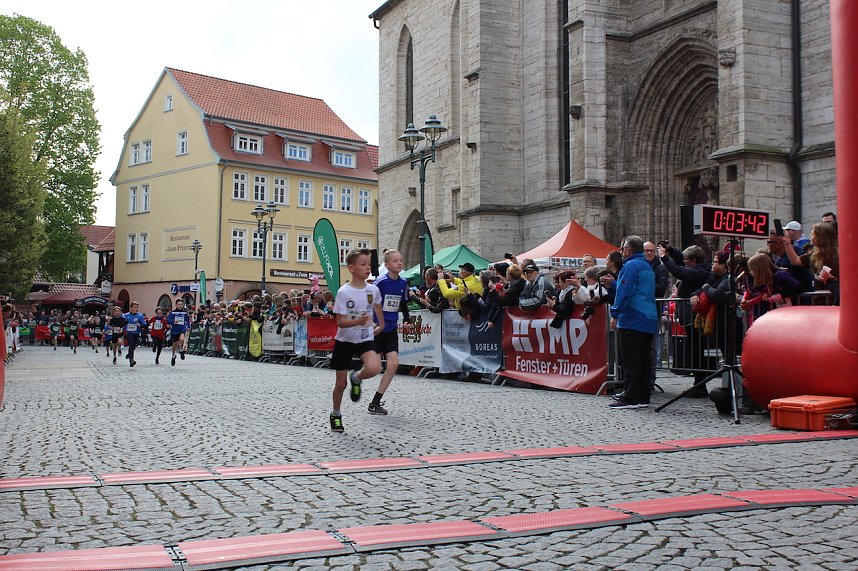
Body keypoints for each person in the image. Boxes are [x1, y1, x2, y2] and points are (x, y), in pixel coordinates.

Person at [329, 248, 384, 432]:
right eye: (363, 264)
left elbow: (377, 306)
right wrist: (357, 321)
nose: (367, 268)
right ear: (351, 267)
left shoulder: (373, 289)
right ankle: (336, 414)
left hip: (364, 337)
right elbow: (340, 322)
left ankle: (357, 377)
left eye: (368, 264)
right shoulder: (344, 292)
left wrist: (381, 324)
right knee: (340, 384)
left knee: (375, 367)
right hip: (344, 340)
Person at [609, 236, 658, 409]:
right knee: (644, 360)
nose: (621, 252)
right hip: (648, 318)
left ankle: (630, 397)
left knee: (630, 360)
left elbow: (624, 291)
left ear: (628, 250)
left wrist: (615, 313)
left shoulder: (630, 266)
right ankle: (643, 396)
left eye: (622, 249)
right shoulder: (647, 266)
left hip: (633, 318)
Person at [369, 249, 412, 415]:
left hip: (391, 329)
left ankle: (375, 402)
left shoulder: (403, 283)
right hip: (376, 329)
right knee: (372, 367)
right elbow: (369, 302)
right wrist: (371, 320)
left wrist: (407, 320)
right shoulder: (380, 283)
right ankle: (356, 379)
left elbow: (403, 304)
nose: (399, 263)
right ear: (386, 265)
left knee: (393, 364)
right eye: (395, 261)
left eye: (400, 260)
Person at [167, 299, 190, 366]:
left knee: (182, 339)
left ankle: (181, 350)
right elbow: (168, 320)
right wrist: (173, 321)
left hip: (182, 328)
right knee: (175, 345)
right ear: (176, 305)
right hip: (175, 330)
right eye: (179, 304)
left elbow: (187, 320)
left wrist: (188, 326)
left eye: (181, 304)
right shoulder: (173, 313)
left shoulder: (185, 313)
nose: (180, 306)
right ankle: (173, 356)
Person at [123, 301, 147, 367]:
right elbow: (122, 322)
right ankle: (131, 360)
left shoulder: (140, 316)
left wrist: (140, 325)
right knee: (131, 344)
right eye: (135, 307)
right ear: (131, 308)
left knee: (134, 345)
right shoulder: (126, 315)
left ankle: (129, 354)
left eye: (137, 307)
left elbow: (144, 325)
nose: (136, 309)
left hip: (136, 333)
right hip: (129, 332)